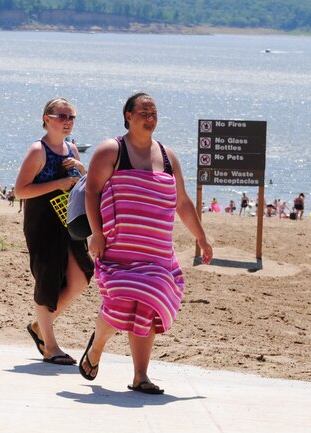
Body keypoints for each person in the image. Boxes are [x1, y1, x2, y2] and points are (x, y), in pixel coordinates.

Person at [78, 92, 212, 394]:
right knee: (120, 300)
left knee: (149, 306)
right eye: (144, 112)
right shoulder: (111, 150)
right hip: (119, 248)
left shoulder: (167, 156)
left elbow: (182, 201)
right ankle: (97, 347)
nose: (150, 118)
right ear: (128, 115)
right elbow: (92, 193)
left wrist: (201, 238)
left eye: (154, 113)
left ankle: (140, 376)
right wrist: (96, 234)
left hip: (158, 253)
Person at [14, 97, 91, 365]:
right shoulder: (38, 150)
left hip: (68, 220)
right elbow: (20, 190)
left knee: (82, 275)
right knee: (46, 279)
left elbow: (79, 186)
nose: (68, 122)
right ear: (47, 118)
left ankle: (39, 327)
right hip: (42, 221)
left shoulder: (71, 149)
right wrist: (57, 184)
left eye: (71, 117)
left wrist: (82, 170)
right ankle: (51, 346)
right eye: (62, 116)